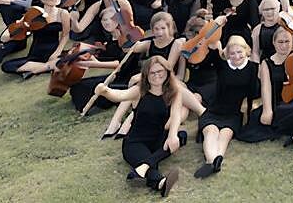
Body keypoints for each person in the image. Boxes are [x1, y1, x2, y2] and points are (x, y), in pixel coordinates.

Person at [94, 56, 184, 196]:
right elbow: (119, 95)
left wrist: (172, 136)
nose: (156, 76)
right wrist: (105, 91)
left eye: (160, 71)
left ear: (167, 72)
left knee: (180, 136)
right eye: (152, 73)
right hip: (135, 142)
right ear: (146, 75)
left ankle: (141, 169)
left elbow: (176, 114)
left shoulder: (174, 92)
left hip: (158, 139)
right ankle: (160, 182)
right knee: (150, 162)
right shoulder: (139, 91)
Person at [237, 25, 293, 146]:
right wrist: (267, 110)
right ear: (274, 43)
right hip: (278, 104)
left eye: (287, 41)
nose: (284, 45)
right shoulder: (266, 63)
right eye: (280, 42)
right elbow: (266, 88)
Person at [195, 36, 259, 178]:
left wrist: (248, 116)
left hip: (234, 113)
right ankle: (211, 161)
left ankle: (217, 159)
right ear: (227, 54)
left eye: (239, 52)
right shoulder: (222, 65)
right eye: (232, 53)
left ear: (246, 50)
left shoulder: (252, 68)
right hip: (215, 109)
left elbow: (252, 93)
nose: (236, 56)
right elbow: (211, 48)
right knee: (210, 131)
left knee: (225, 135)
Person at [1, 0, 71, 76]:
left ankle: (38, 68)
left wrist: (56, 53)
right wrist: (15, 30)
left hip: (52, 50)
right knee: (6, 66)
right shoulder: (34, 12)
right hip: (35, 53)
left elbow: (65, 35)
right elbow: (16, 30)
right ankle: (49, 67)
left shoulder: (63, 13)